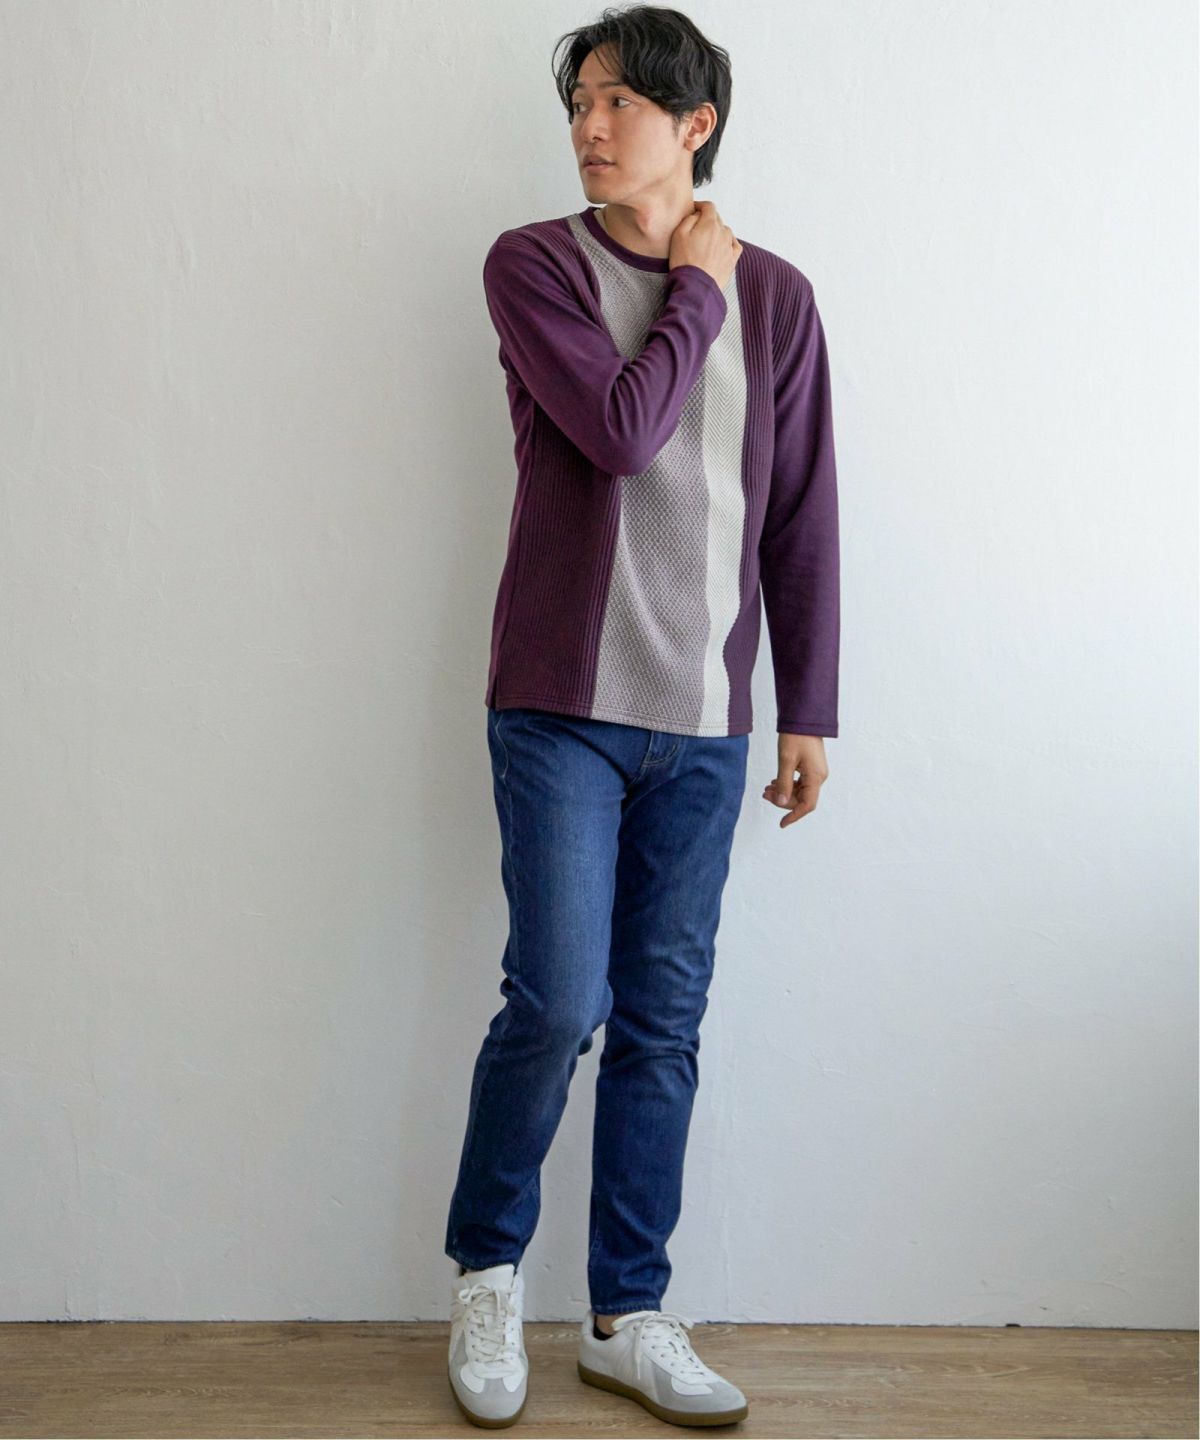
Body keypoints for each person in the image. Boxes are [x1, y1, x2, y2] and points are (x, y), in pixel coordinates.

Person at [444, 4, 840, 1428]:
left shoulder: (780, 299)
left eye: (617, 101)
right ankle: (490, 1274)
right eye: (579, 104)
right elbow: (620, 432)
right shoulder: (535, 265)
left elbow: (801, 515)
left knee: (664, 1022)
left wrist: (808, 708)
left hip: (706, 719)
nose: (588, 127)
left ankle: (626, 1313)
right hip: (561, 706)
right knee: (558, 1002)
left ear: (695, 123)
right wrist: (695, 293)